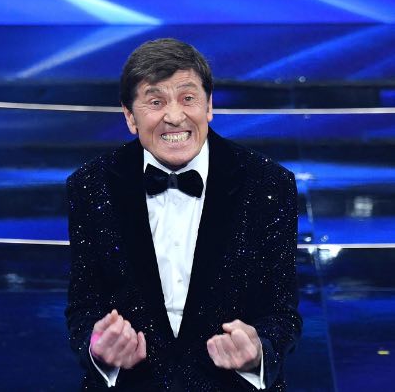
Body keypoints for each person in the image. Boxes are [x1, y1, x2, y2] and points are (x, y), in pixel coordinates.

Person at [65, 38, 301, 390]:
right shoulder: (90, 185)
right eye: (155, 102)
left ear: (209, 106)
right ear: (129, 116)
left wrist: (257, 351)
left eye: (188, 98)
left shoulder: (269, 184)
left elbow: (282, 313)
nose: (175, 117)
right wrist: (99, 349)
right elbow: (83, 308)